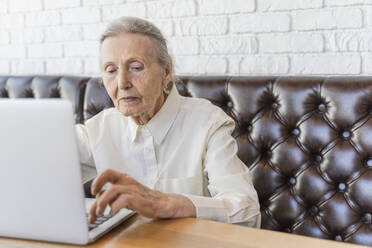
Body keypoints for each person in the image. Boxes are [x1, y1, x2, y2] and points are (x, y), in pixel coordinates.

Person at [75, 16, 261, 227]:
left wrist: (171, 204)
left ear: (166, 72)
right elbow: (38, 168)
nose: (122, 83)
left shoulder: (208, 123)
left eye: (136, 67)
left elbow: (248, 212)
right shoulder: (97, 130)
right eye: (111, 70)